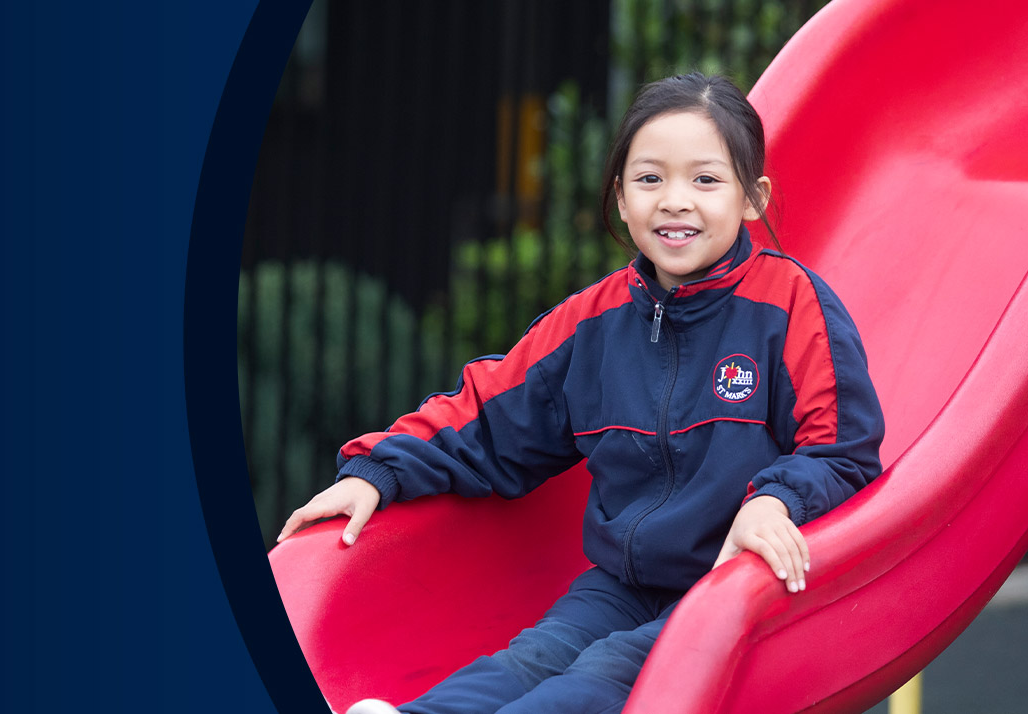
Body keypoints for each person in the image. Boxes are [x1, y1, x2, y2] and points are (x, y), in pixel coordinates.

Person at [274, 73, 886, 714]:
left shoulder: (789, 306)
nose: (675, 201)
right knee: (535, 656)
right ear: (621, 199)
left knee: (600, 677)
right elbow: (489, 415)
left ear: (752, 198)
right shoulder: (595, 322)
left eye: (705, 180)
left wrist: (776, 502)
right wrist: (380, 469)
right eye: (650, 180)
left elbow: (842, 451)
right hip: (623, 583)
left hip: (734, 588)